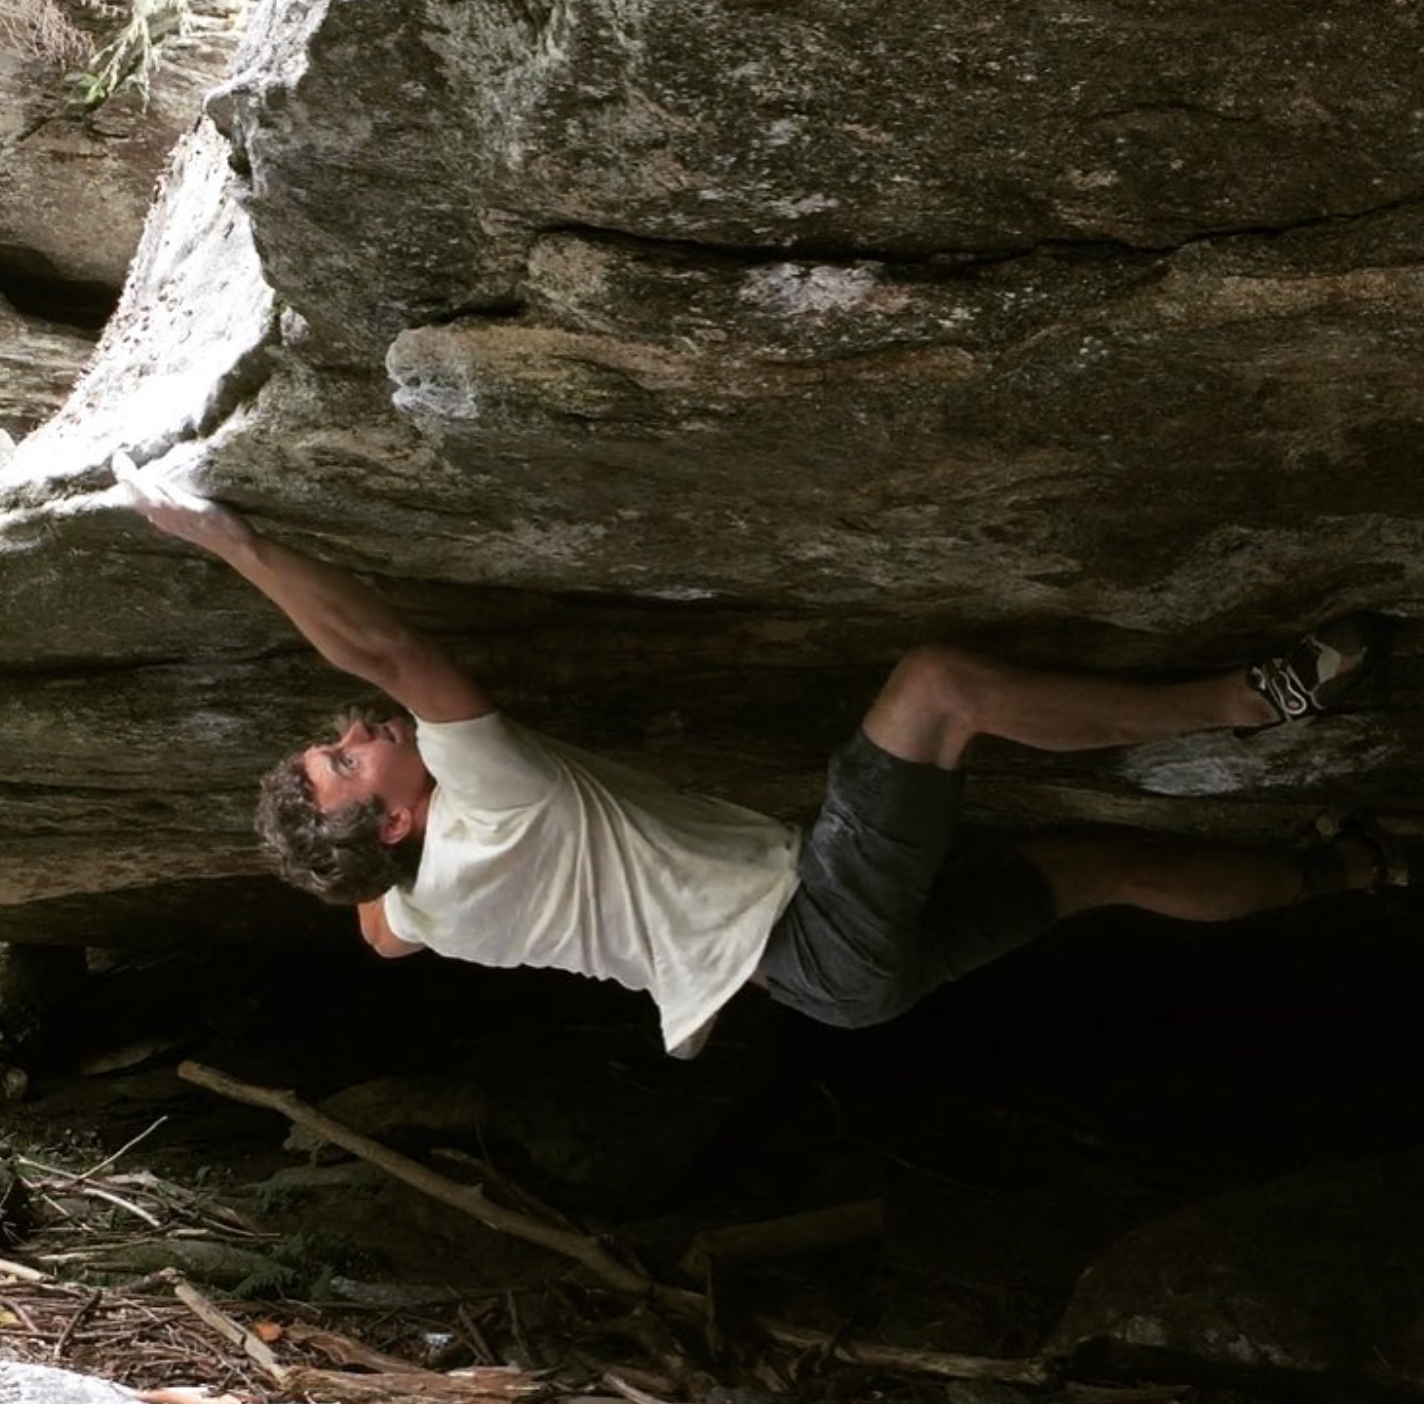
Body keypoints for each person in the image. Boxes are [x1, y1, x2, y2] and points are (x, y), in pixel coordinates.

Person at [115, 456, 1399, 1057]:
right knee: (935, 689)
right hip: (810, 934)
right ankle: (1244, 701)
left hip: (827, 994)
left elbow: (373, 934)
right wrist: (226, 540)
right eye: (350, 763)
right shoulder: (485, 809)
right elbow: (388, 648)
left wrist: (351, 867)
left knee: (1090, 872)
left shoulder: (419, 911)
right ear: (394, 824)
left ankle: (1357, 870)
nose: (357, 729)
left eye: (335, 739)